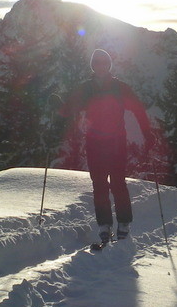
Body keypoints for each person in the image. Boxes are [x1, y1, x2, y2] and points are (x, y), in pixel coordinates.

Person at [62, 49, 155, 243]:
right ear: (93, 66)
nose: (100, 66)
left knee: (118, 183)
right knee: (100, 185)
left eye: (104, 63)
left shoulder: (119, 88)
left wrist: (147, 133)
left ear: (109, 65)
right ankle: (105, 225)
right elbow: (70, 107)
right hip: (96, 142)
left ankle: (123, 223)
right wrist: (58, 110)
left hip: (115, 142)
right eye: (97, 63)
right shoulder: (87, 89)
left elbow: (138, 109)